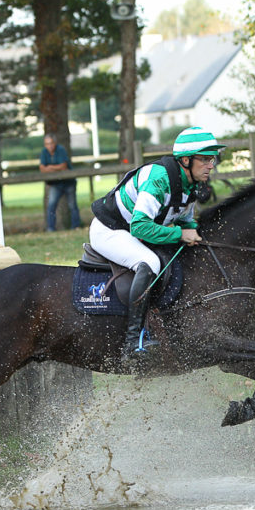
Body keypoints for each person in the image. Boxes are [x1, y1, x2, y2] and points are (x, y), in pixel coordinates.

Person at [89, 126, 225, 360]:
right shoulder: (159, 179)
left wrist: (195, 234)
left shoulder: (190, 183)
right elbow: (140, 227)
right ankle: (133, 341)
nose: (211, 165)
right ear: (185, 160)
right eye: (204, 159)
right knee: (150, 262)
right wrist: (180, 235)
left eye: (212, 159)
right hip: (110, 230)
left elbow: (185, 219)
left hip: (135, 230)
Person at [39, 133, 82, 231]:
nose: (49, 146)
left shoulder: (61, 150)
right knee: (51, 205)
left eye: (51, 143)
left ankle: (76, 226)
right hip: (56, 183)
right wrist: (56, 168)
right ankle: (50, 228)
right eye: (47, 144)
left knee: (72, 205)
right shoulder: (44, 152)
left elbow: (63, 166)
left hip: (68, 182)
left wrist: (49, 167)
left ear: (55, 143)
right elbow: (42, 168)